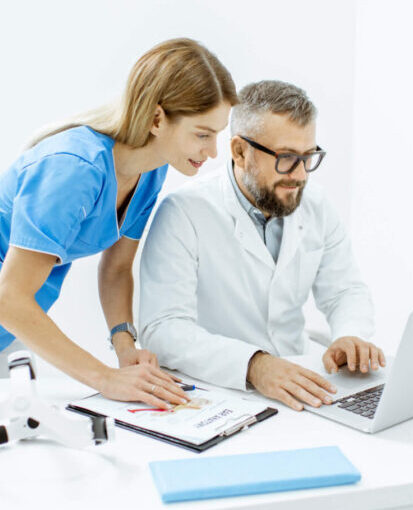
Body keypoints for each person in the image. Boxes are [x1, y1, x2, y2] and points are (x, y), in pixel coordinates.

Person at [0, 38, 237, 416]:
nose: (213, 152)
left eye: (217, 135)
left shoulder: (151, 170)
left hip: (7, 327)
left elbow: (117, 268)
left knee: (19, 448)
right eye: (203, 134)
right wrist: (105, 378)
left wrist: (124, 343)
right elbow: (9, 300)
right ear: (157, 119)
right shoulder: (74, 168)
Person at [139, 80, 385, 411]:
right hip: (223, 391)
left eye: (308, 156)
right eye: (286, 158)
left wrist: (350, 335)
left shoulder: (314, 204)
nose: (299, 175)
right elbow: (162, 329)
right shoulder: (184, 212)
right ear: (240, 151)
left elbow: (345, 292)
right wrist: (254, 365)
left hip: (302, 378)